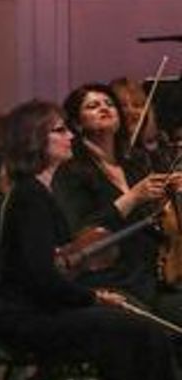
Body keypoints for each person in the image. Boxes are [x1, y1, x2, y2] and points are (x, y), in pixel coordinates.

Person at [0, 99, 182, 380]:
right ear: (35, 140)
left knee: (136, 328)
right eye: (59, 130)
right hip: (28, 319)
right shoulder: (29, 197)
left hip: (43, 310)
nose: (69, 136)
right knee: (137, 331)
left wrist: (90, 295)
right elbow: (40, 279)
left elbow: (54, 270)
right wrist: (92, 298)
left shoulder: (38, 193)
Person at [52, 83, 182, 328]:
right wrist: (132, 198)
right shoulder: (71, 172)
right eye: (93, 105)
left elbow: (157, 221)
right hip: (109, 280)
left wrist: (170, 194)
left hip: (152, 277)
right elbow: (82, 231)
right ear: (78, 124)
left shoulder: (133, 166)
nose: (104, 108)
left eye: (109, 104)